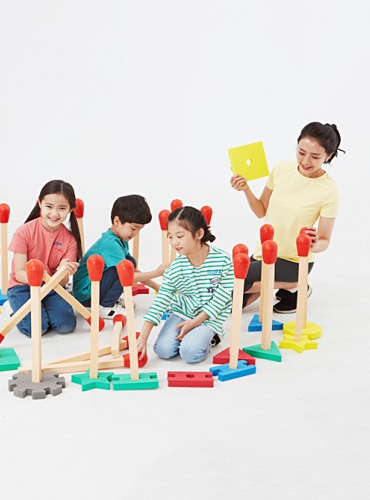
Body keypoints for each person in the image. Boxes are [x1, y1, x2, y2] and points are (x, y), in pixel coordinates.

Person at [230, 122, 343, 313]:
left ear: (328, 156)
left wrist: (314, 244)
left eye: (315, 156)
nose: (306, 161)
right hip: (264, 252)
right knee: (230, 304)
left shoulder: (329, 190)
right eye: (301, 152)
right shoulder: (281, 169)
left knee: (236, 280)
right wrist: (246, 189)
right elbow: (261, 211)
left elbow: (324, 240)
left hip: (294, 261)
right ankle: (290, 287)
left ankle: (295, 283)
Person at [136, 206, 234, 363]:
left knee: (190, 353)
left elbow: (221, 299)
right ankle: (193, 335)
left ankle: (211, 337)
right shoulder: (176, 267)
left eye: (180, 236)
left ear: (199, 234)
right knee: (163, 350)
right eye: (170, 237)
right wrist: (142, 338)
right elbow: (161, 301)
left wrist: (194, 323)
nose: (174, 242)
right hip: (182, 313)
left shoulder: (223, 260)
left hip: (210, 317)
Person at [7, 179, 82, 337]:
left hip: (52, 287)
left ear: (70, 209)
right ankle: (18, 309)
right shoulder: (23, 232)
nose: (54, 214)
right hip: (22, 286)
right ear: (40, 204)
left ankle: (41, 308)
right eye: (49, 206)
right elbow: (19, 273)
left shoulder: (70, 240)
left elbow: (62, 281)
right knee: (37, 329)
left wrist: (63, 271)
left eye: (62, 208)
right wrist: (39, 280)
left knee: (66, 326)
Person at [72, 194, 167, 318]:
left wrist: (156, 286)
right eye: (133, 228)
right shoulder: (110, 244)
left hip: (93, 289)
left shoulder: (121, 239)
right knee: (121, 270)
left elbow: (132, 271)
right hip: (87, 296)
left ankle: (107, 298)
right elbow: (127, 276)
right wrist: (157, 272)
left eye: (139, 229)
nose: (135, 233)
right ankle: (105, 305)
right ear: (116, 221)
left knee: (129, 263)